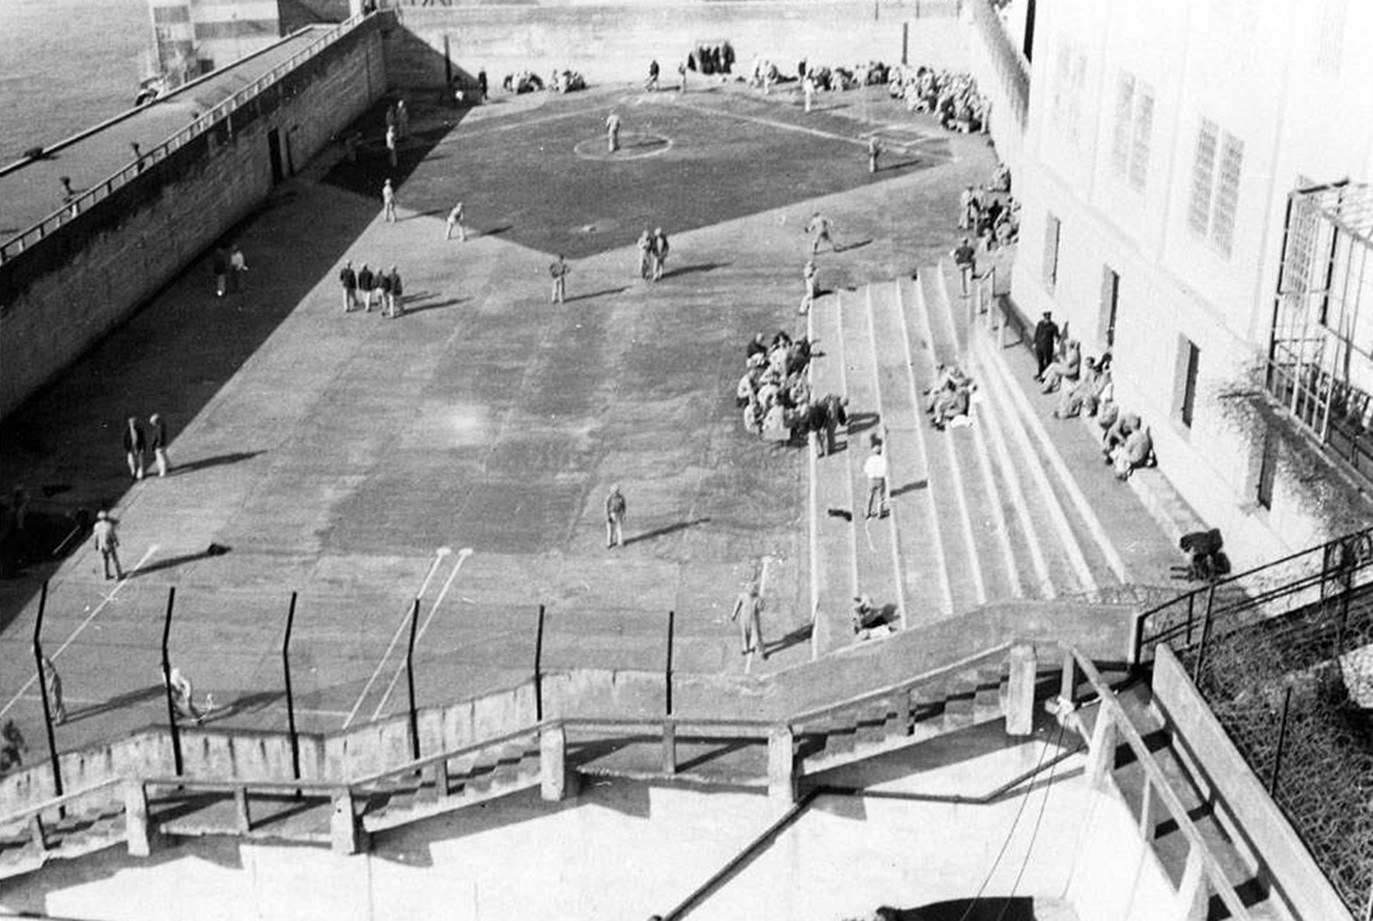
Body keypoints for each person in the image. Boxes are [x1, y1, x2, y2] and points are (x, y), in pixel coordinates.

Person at [730, 583, 765, 658]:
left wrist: (761, 602)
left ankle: (761, 651)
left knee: (757, 635)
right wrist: (734, 614)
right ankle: (746, 648)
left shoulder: (757, 598)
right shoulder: (742, 596)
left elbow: (761, 608)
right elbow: (737, 605)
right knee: (745, 634)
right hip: (744, 618)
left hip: (754, 619)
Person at [93, 509, 123, 580]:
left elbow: (95, 536)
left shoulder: (96, 526)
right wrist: (116, 542)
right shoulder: (109, 525)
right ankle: (118, 575)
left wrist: (96, 545)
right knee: (114, 560)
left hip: (101, 546)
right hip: (109, 545)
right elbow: (112, 535)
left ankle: (105, 575)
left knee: (104, 560)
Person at [864, 440, 889, 518]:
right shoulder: (882, 460)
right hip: (880, 479)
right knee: (880, 497)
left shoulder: (870, 460)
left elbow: (866, 469)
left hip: (871, 479)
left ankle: (867, 512)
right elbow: (885, 470)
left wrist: (869, 474)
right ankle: (880, 513)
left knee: (870, 496)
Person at [1032, 311, 1059, 378]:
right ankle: (1040, 374)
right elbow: (1037, 333)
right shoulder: (1040, 324)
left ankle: (1046, 376)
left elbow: (1057, 336)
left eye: (1048, 318)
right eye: (1046, 318)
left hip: (1048, 347)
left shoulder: (1053, 326)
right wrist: (1034, 342)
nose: (1047, 320)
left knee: (1048, 362)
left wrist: (1058, 342)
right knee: (1040, 361)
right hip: (1039, 346)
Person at [41, 655, 65, 724]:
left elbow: (53, 673)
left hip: (54, 682)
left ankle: (60, 717)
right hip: (50, 682)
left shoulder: (44, 661)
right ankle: (55, 713)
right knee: (52, 700)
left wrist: (51, 684)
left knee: (56, 700)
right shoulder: (43, 660)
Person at [123, 416, 146, 480]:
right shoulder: (127, 431)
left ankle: (140, 475)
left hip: (138, 448)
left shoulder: (139, 430)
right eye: (131, 423)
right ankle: (133, 473)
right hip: (131, 449)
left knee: (140, 462)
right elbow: (125, 440)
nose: (132, 424)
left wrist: (143, 448)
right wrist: (127, 448)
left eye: (134, 423)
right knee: (131, 462)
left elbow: (142, 440)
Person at [149, 413, 171, 477]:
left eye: (153, 422)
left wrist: (157, 445)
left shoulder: (159, 428)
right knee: (164, 456)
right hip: (161, 444)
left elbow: (159, 437)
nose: (152, 424)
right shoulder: (160, 426)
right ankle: (169, 467)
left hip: (159, 445)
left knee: (161, 459)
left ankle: (163, 472)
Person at [605, 484, 627, 549]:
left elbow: (623, 506)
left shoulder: (621, 497)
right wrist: (607, 516)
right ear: (611, 491)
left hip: (619, 513)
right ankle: (609, 543)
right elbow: (606, 507)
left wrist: (624, 514)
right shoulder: (609, 497)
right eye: (614, 491)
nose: (615, 492)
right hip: (611, 513)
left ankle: (619, 542)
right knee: (610, 529)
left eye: (617, 491)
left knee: (619, 528)